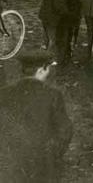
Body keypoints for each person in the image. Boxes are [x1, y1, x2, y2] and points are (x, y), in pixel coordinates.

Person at [0, 49, 72, 182]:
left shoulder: (4, 94)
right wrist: (53, 154)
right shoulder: (53, 95)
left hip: (12, 165)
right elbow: (65, 131)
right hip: (44, 164)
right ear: (42, 69)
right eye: (49, 67)